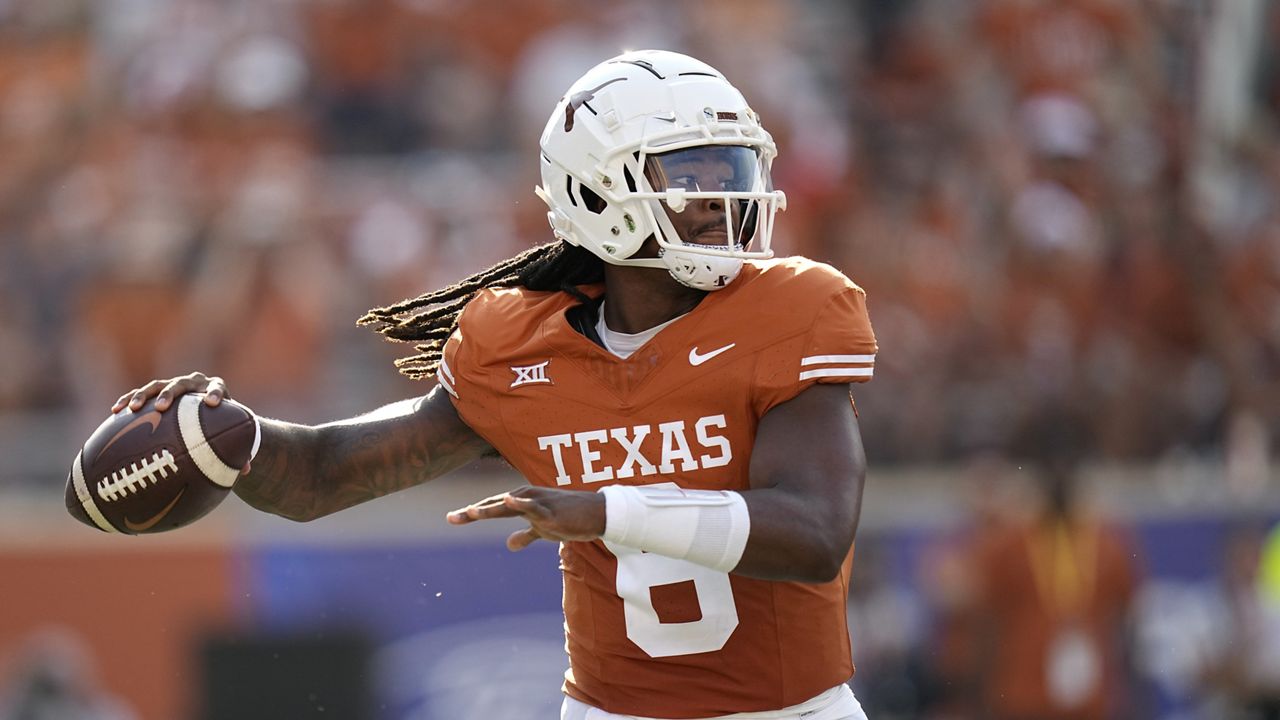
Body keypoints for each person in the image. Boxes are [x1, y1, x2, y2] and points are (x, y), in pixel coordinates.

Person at [113, 50, 878, 720]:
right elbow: (321, 477)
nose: (722, 199)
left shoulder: (793, 307)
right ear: (594, 191)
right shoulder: (519, 345)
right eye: (690, 175)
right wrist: (226, 435)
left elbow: (813, 533)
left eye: (731, 169)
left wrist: (606, 510)